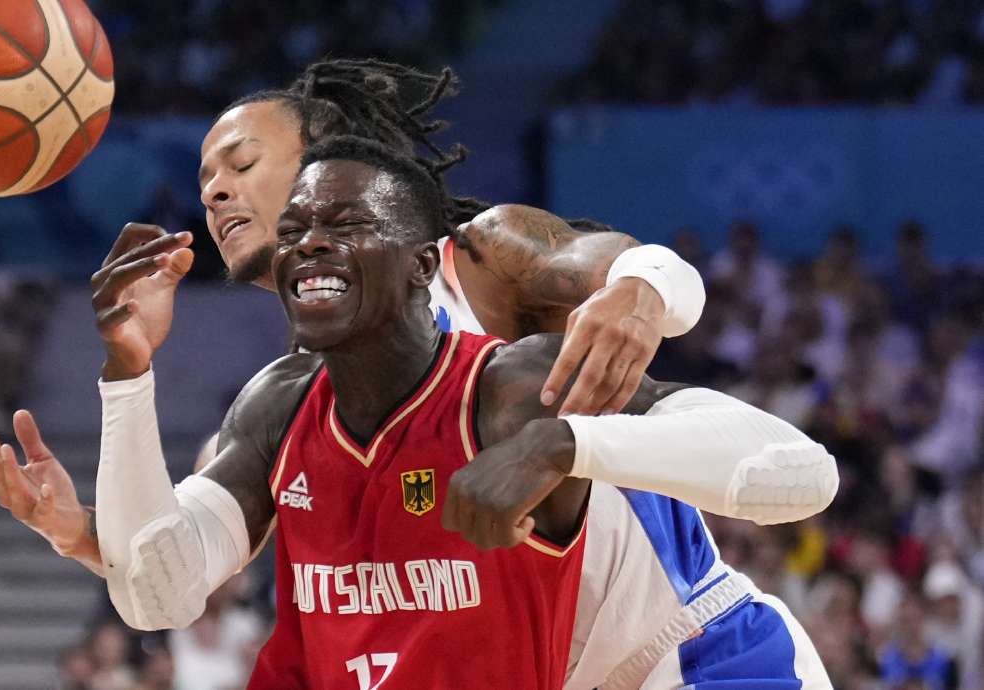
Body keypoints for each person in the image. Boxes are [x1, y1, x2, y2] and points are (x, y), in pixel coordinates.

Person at [80, 138, 833, 687]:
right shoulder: (279, 405)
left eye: (243, 164)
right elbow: (157, 586)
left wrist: (632, 316)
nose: (216, 189)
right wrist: (128, 376)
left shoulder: (491, 286)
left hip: (695, 654)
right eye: (209, 172)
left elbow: (799, 469)